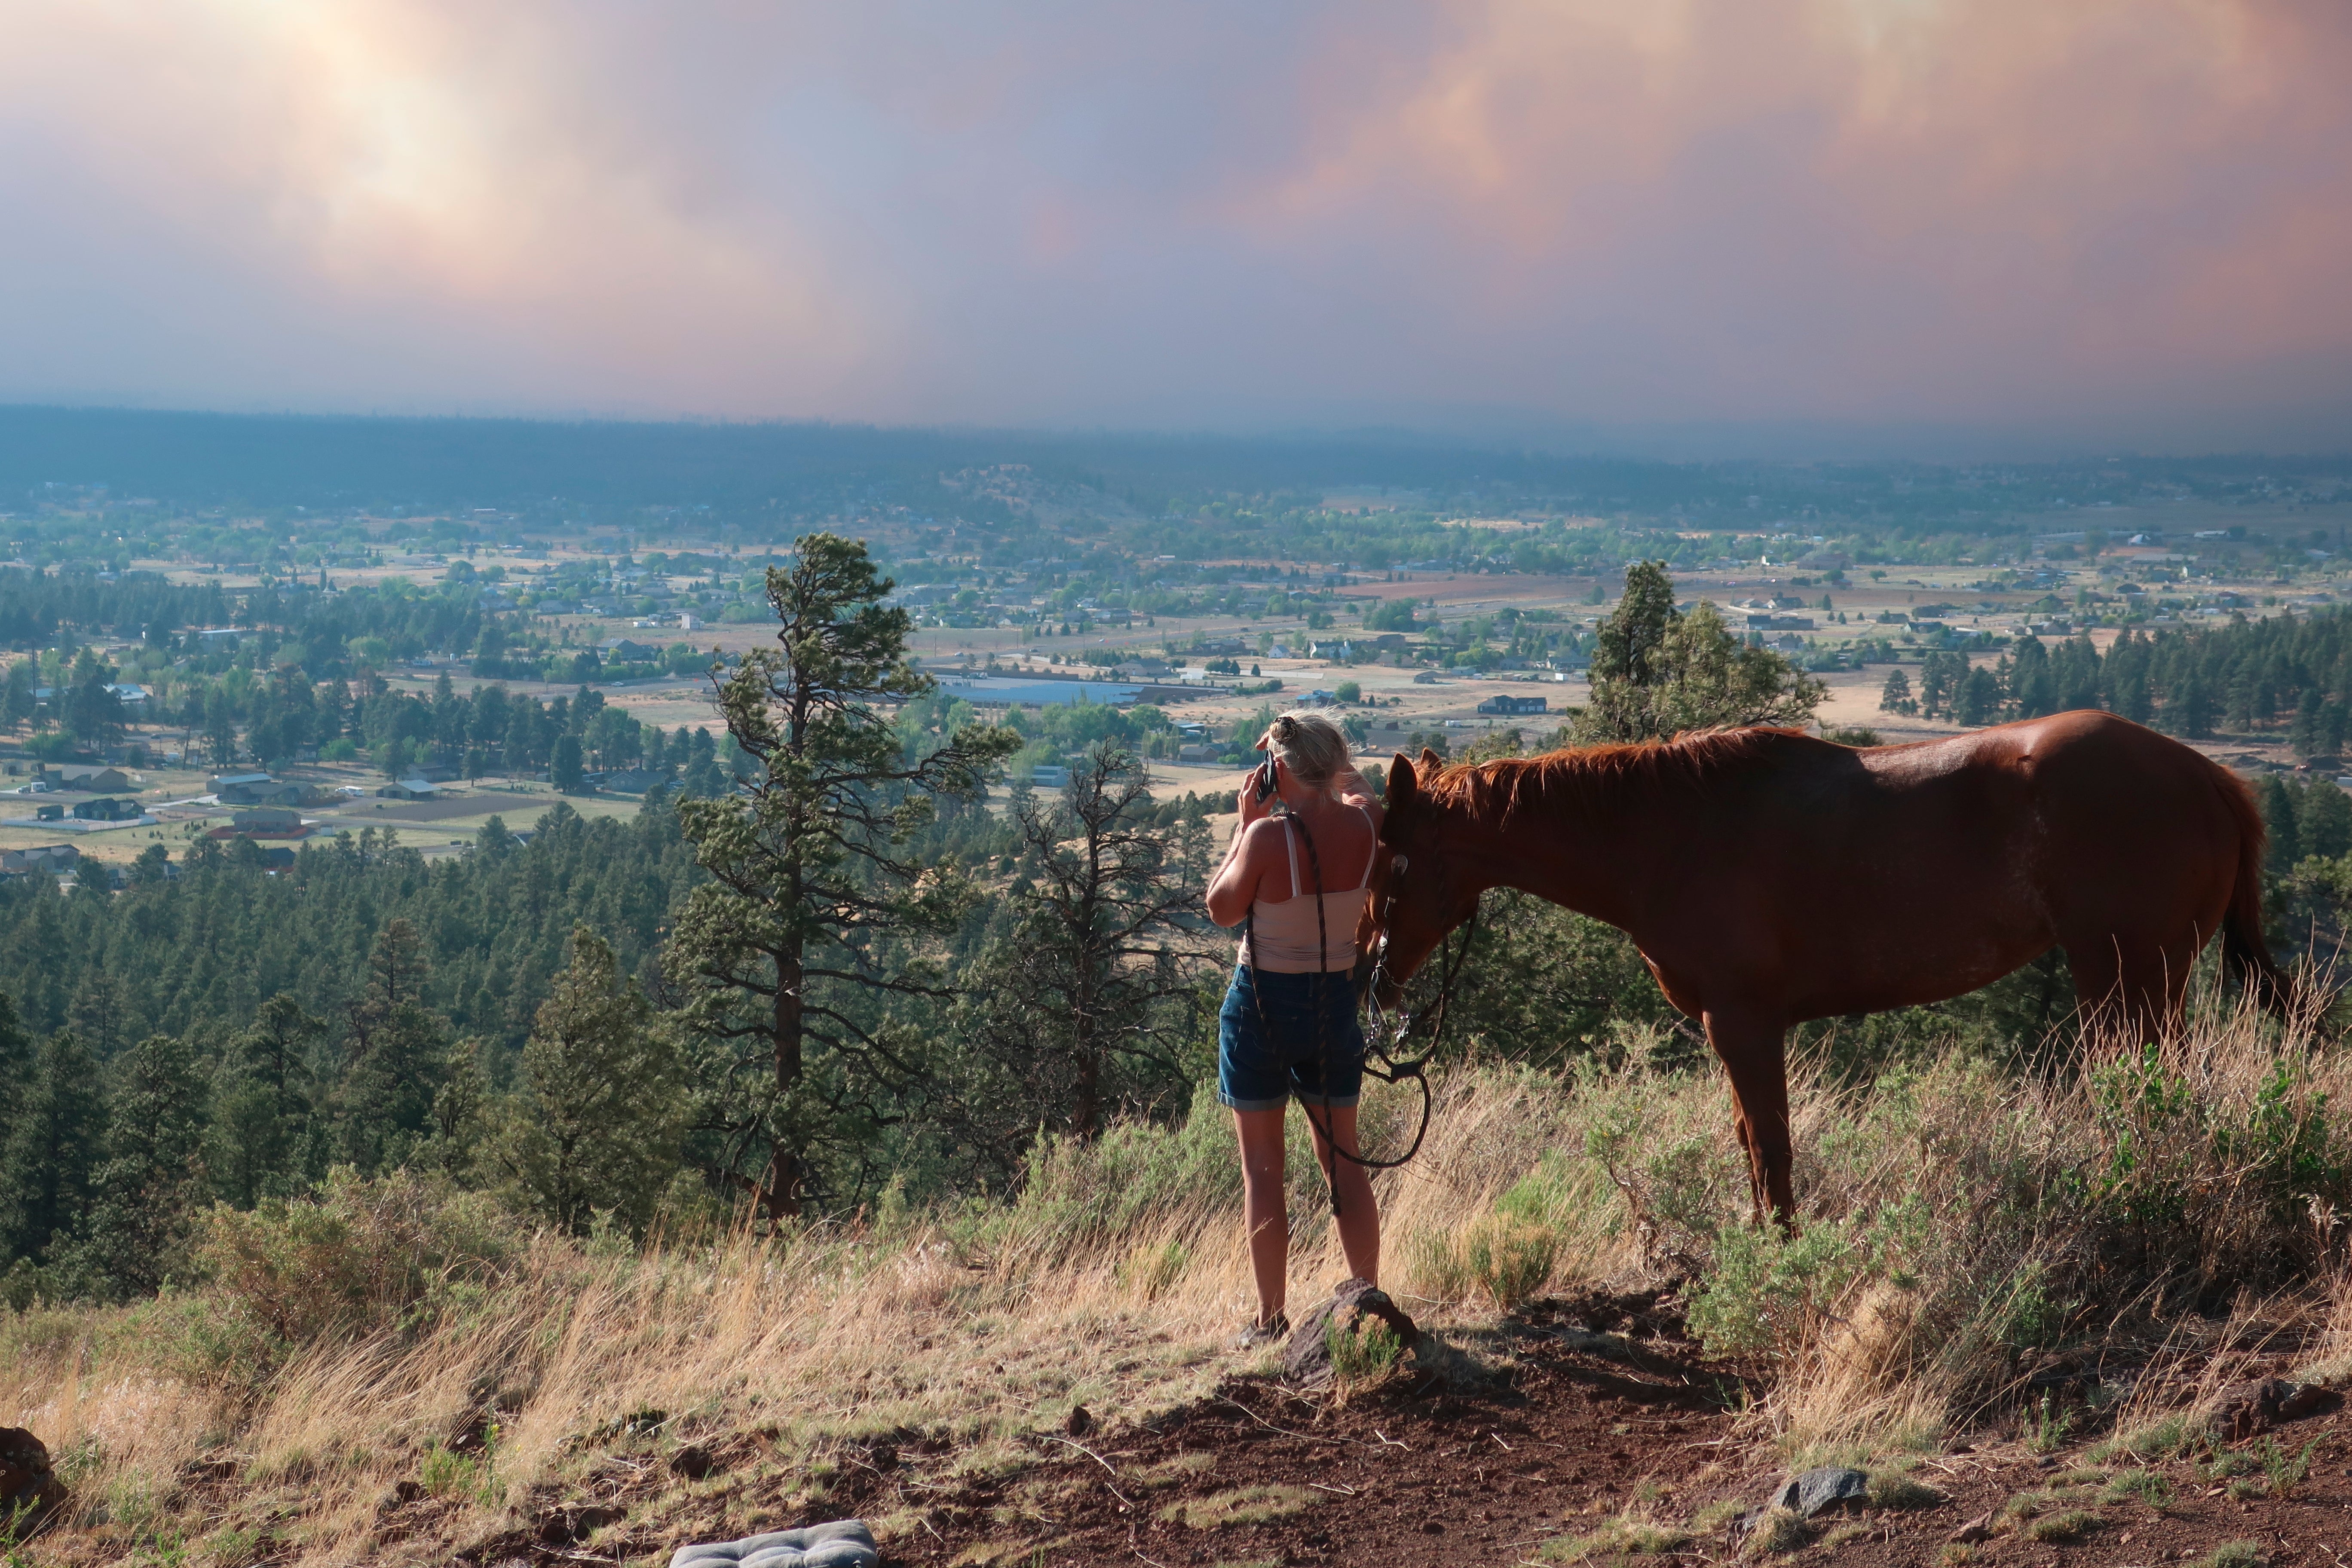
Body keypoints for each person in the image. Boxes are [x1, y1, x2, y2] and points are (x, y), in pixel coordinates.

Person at [1204, 710, 1384, 1344]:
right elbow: (1356, 787)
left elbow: (1221, 908)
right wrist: (1319, 758)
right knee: (1344, 1163)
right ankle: (1367, 1302)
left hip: (1261, 1006)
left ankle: (1270, 1320)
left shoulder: (1265, 838)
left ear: (1277, 771)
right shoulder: (1367, 824)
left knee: (1263, 1170)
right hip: (1333, 1003)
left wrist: (1244, 824)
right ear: (1333, 765)